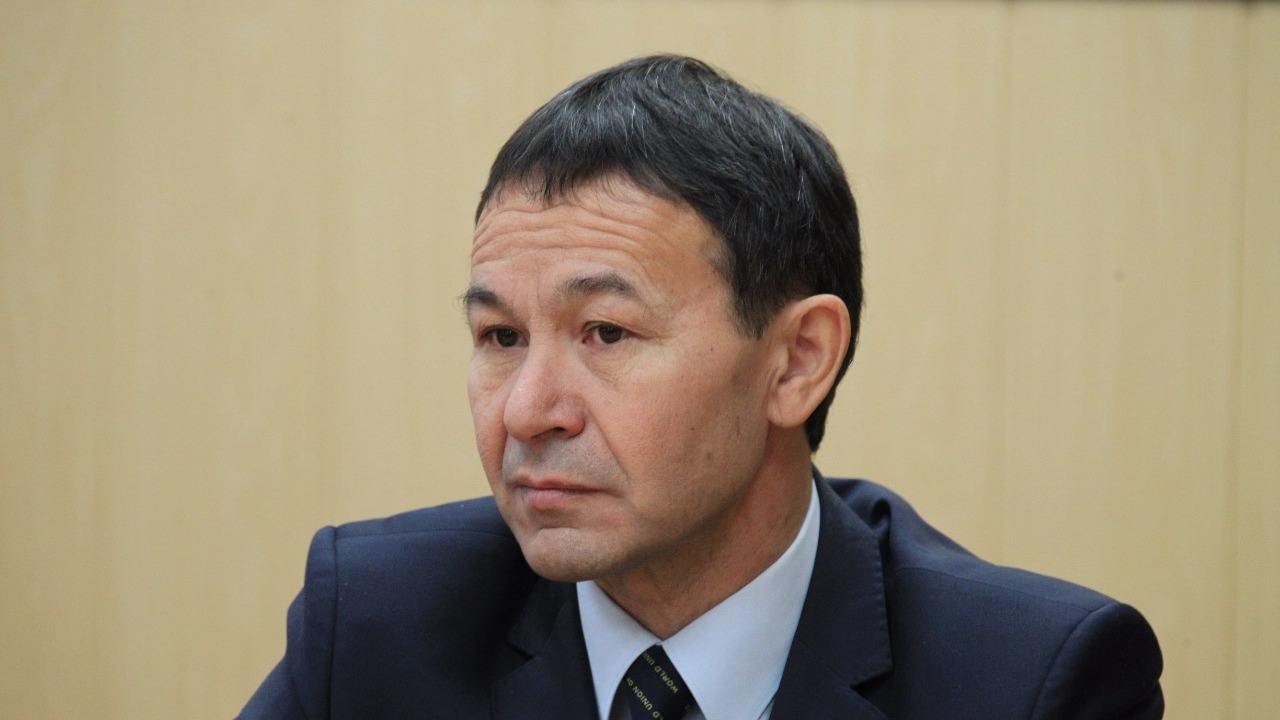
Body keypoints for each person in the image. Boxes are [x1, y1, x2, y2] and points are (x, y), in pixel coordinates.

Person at [239, 54, 1163, 720]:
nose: (525, 410)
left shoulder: (1028, 682)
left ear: (796, 361)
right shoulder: (377, 626)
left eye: (606, 333)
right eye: (500, 337)